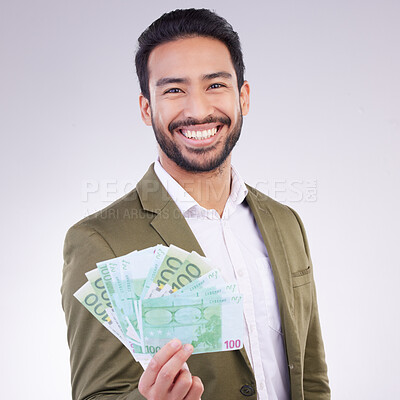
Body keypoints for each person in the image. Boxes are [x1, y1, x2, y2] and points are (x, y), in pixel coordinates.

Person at [62, 8, 330, 400]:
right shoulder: (99, 241)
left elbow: (311, 378)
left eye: (216, 85)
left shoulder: (286, 222)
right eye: (174, 90)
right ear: (146, 108)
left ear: (244, 97)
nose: (198, 110)